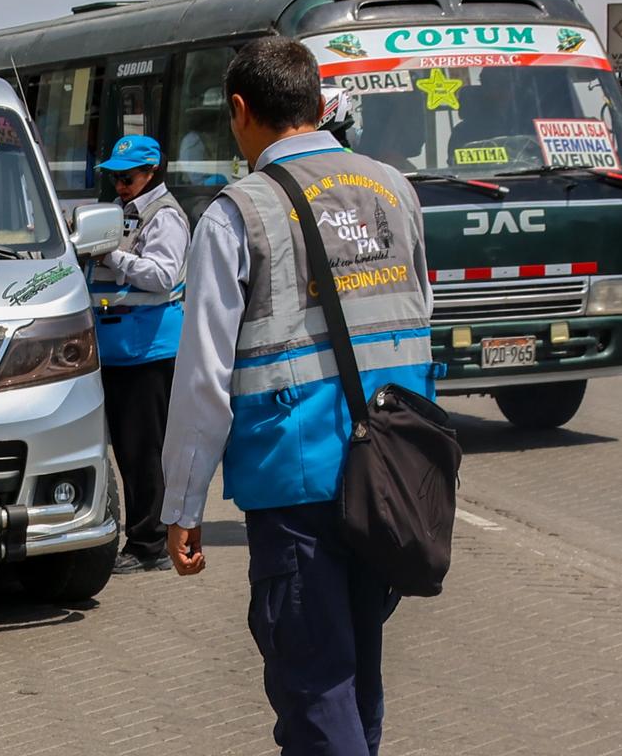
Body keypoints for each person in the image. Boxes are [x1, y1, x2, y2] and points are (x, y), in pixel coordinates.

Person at [162, 37, 434, 755]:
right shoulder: (395, 190)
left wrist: (183, 504)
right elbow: (420, 317)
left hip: (297, 486)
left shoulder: (237, 213)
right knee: (358, 680)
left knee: (315, 690)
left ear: (240, 110)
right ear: (317, 104)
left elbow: (203, 377)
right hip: (392, 477)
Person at [88, 135, 191, 574]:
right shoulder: (121, 212)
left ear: (152, 173)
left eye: (127, 178)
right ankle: (144, 536)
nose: (119, 186)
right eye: (114, 177)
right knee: (129, 450)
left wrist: (113, 258)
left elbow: (163, 275)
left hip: (148, 351)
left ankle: (149, 545)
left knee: (145, 450)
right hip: (118, 350)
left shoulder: (164, 216)